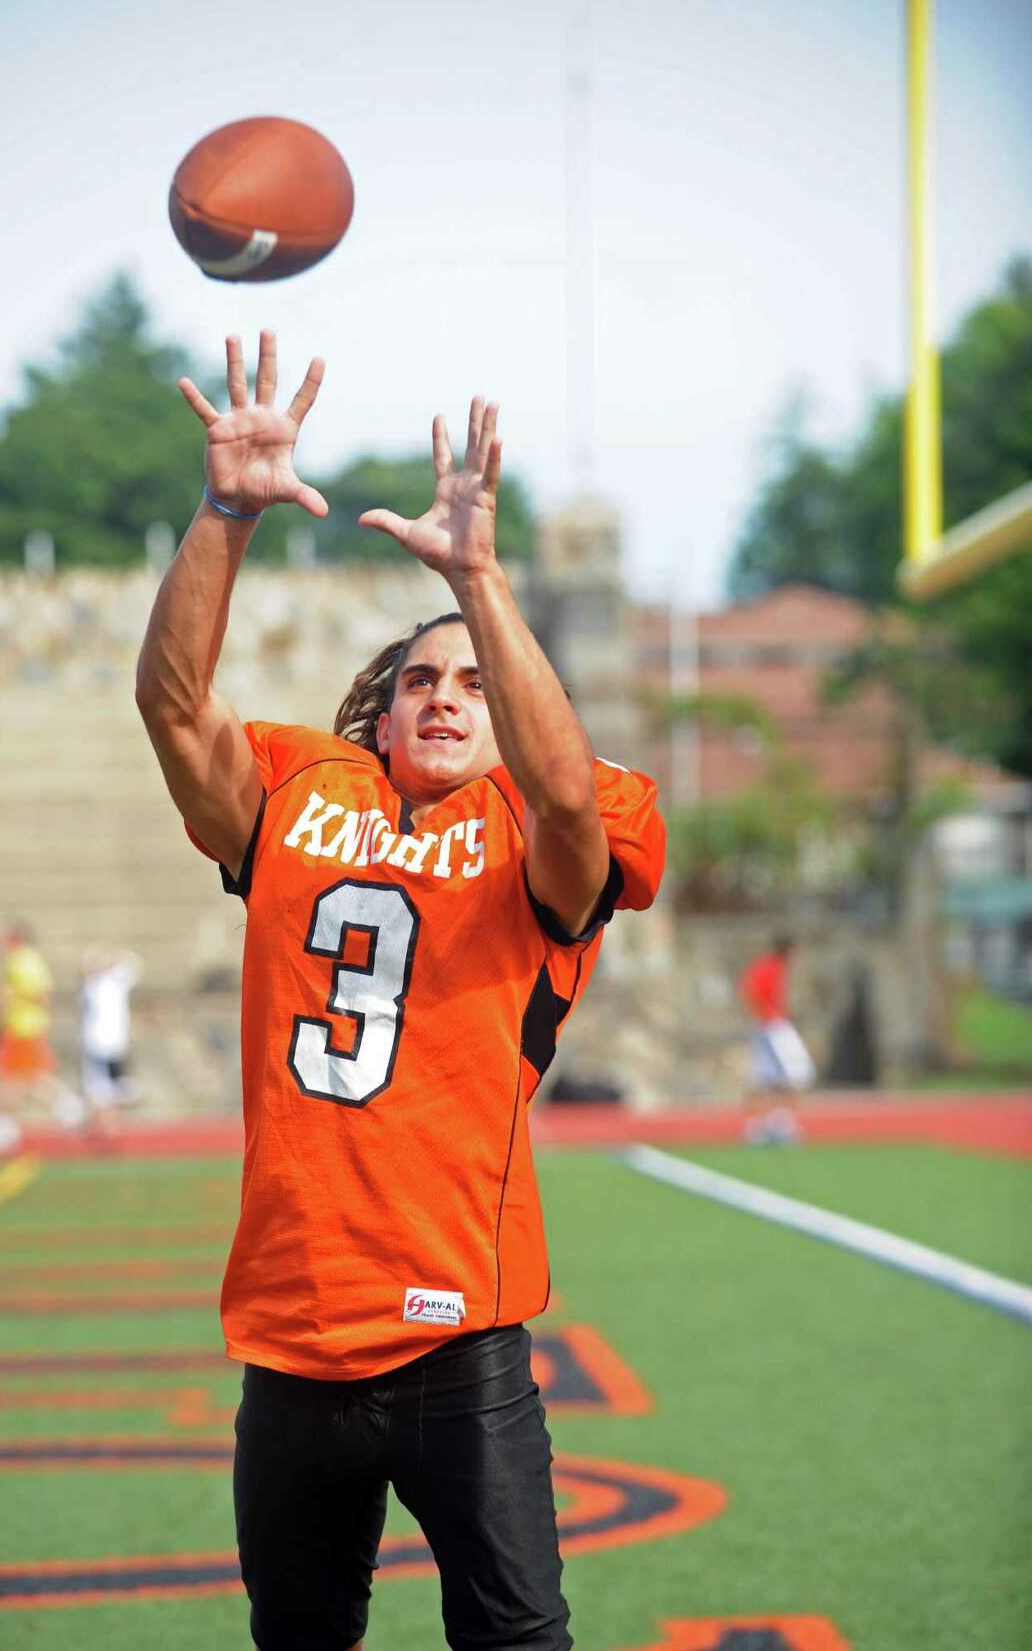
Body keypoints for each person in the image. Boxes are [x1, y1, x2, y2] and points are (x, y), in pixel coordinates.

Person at [135, 330, 666, 1651]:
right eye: (420, 678)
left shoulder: (542, 824)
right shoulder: (303, 797)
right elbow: (170, 701)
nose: (443, 695)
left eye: (477, 686)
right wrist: (225, 512)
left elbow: (559, 788)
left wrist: (478, 583)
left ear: (512, 718)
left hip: (458, 1339)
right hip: (290, 1330)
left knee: (516, 1639)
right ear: (381, 711)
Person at [0, 921, 58, 1153]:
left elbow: (41, 995)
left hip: (23, 1029)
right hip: (19, 1028)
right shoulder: (21, 960)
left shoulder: (22, 960)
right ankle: (70, 1112)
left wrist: (7, 1001)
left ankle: (5, 1129)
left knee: (13, 1079)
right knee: (25, 1080)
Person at [738, 933, 816, 1145]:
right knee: (796, 1072)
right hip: (773, 1026)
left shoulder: (771, 967)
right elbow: (750, 989)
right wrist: (766, 1013)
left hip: (768, 1024)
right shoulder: (770, 967)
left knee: (767, 1077)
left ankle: (768, 1124)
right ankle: (780, 1124)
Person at [77, 946, 144, 1137]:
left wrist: (111, 958)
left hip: (113, 1045)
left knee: (106, 1089)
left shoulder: (115, 980)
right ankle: (106, 1126)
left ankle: (109, 1125)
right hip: (96, 1045)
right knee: (101, 1089)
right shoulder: (91, 985)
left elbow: (134, 963)